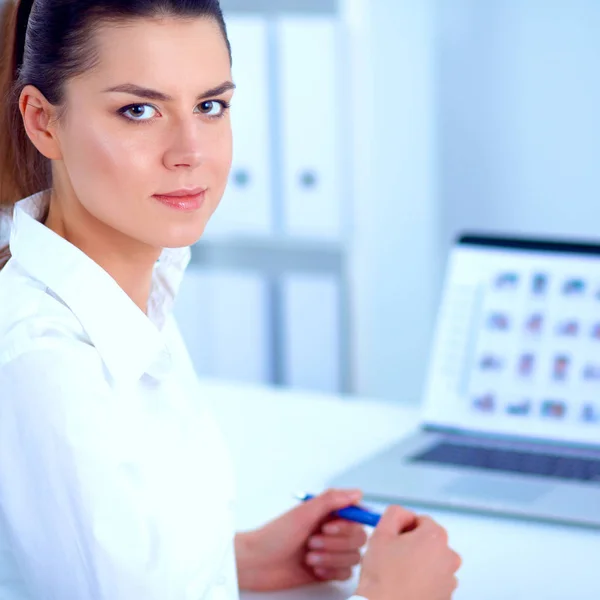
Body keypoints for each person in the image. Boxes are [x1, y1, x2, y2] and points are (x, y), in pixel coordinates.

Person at [0, 1, 461, 598]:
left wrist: (239, 560)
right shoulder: (42, 363)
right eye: (139, 110)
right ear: (43, 122)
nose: (190, 151)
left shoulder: (135, 291)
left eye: (210, 106)